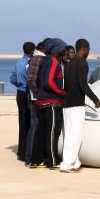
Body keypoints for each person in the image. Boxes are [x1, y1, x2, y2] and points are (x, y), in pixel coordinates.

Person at [61, 39, 100, 173]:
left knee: (71, 133)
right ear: (85, 49)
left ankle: (75, 162)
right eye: (88, 50)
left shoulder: (68, 63)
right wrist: (95, 99)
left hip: (66, 103)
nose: (88, 53)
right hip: (76, 104)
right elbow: (83, 85)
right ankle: (67, 164)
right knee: (75, 134)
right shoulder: (82, 63)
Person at [36, 38, 67, 168]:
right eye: (63, 48)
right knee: (53, 132)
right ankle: (53, 160)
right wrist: (61, 92)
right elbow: (49, 81)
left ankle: (47, 157)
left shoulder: (46, 60)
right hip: (52, 101)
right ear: (58, 49)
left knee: (47, 131)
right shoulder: (54, 61)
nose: (65, 50)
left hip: (44, 100)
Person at [9, 41, 35, 161]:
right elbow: (31, 79)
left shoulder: (19, 62)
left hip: (19, 93)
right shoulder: (29, 63)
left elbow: (12, 78)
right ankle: (26, 152)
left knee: (22, 121)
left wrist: (19, 84)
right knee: (29, 122)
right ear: (31, 51)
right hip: (26, 93)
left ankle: (21, 151)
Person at [25, 39, 48, 167]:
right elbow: (32, 79)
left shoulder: (35, 58)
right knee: (35, 127)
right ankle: (31, 157)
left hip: (34, 98)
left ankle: (30, 157)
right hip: (36, 99)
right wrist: (38, 95)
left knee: (34, 128)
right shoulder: (39, 58)